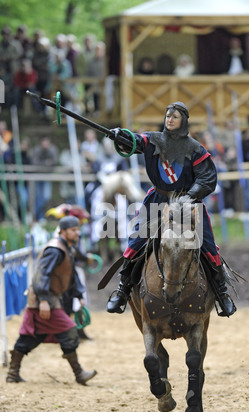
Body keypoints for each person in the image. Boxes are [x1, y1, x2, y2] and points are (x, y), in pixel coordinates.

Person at [106, 101, 236, 317]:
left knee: (209, 247)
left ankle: (222, 294)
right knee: (136, 242)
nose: (170, 120)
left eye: (174, 117)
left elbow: (207, 178)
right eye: (168, 116)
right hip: (158, 198)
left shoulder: (195, 149)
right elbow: (135, 141)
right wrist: (121, 135)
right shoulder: (153, 140)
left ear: (183, 120)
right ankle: (123, 290)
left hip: (188, 202)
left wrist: (189, 197)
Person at [6, 215, 97, 385]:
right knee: (69, 330)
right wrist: (43, 300)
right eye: (73, 230)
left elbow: (70, 276)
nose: (77, 233)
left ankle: (12, 373)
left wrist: (78, 296)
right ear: (63, 231)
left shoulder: (67, 247)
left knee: (34, 336)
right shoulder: (55, 249)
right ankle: (79, 374)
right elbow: (41, 275)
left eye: (78, 229)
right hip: (43, 299)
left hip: (49, 298)